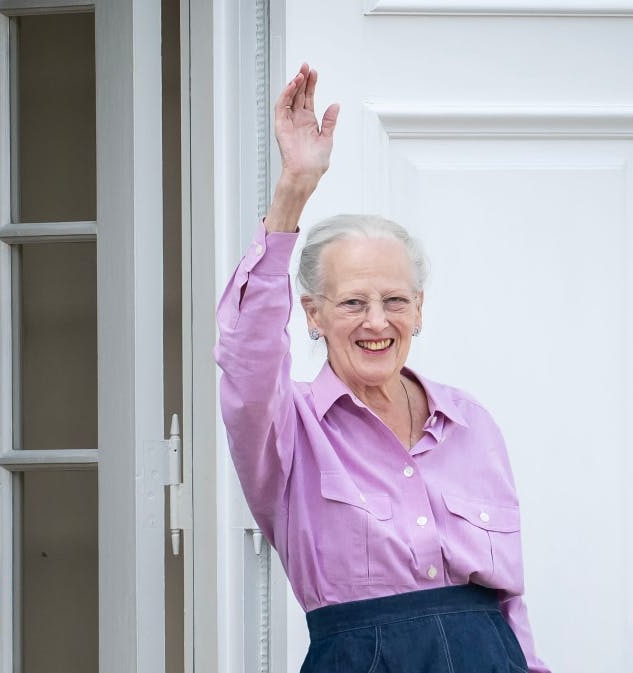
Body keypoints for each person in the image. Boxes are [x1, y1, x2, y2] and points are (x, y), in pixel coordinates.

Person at [215, 63, 550, 673]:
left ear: (418, 309)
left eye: (394, 300)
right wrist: (293, 191)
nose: (376, 322)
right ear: (312, 315)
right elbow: (245, 353)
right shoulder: (287, 426)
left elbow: (509, 600)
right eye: (352, 303)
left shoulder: (471, 423)